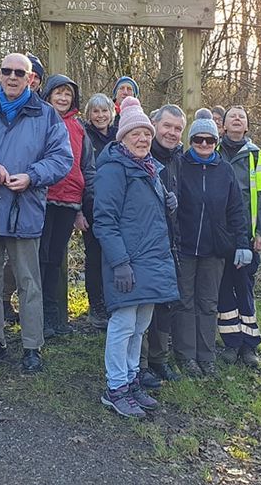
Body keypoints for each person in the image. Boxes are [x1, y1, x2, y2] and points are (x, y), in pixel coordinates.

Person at [0, 53, 73, 373]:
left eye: (19, 73)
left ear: (30, 78)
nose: (12, 77)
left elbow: (61, 157)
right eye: (6, 71)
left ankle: (32, 346)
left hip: (25, 208)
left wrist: (32, 176)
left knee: (29, 282)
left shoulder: (47, 115)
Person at [93, 96, 179, 418]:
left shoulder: (149, 169)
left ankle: (130, 381)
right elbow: (105, 220)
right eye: (135, 135)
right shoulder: (115, 169)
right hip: (128, 262)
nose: (143, 139)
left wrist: (166, 202)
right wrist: (120, 263)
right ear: (123, 139)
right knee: (123, 324)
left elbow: (145, 214)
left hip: (151, 260)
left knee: (141, 324)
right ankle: (115, 388)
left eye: (145, 133)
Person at [172, 110, 247, 377]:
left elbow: (236, 210)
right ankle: (186, 355)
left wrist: (242, 243)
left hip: (215, 248)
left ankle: (206, 355)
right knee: (184, 302)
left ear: (217, 141)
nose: (204, 145)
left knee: (208, 302)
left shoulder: (225, 170)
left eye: (209, 140)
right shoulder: (180, 165)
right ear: (190, 140)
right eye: (198, 140)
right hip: (185, 246)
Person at [38, 74, 95, 338]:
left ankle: (55, 318)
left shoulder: (79, 128)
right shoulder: (39, 120)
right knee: (40, 258)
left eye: (67, 94)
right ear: (48, 95)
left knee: (55, 258)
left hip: (69, 200)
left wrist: (82, 207)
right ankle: (38, 317)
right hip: (42, 198)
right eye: (58, 93)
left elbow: (86, 166)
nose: (62, 98)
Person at [216, 105, 261, 367]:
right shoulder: (212, 148)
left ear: (246, 127)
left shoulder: (255, 155)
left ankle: (249, 345)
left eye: (242, 117)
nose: (237, 119)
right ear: (223, 125)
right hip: (219, 236)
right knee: (224, 290)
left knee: (245, 288)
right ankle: (231, 343)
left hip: (248, 237)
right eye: (232, 116)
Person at [137, 103, 186, 389]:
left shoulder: (180, 158)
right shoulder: (142, 153)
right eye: (167, 126)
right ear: (154, 124)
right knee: (144, 305)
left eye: (178, 129)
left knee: (166, 303)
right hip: (145, 242)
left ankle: (159, 359)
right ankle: (141, 365)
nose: (171, 132)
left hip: (172, 241)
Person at [80, 93, 117, 329]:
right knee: (94, 257)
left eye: (104, 111)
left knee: (113, 255)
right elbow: (80, 173)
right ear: (89, 114)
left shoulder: (119, 136)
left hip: (115, 207)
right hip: (91, 206)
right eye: (96, 111)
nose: (100, 115)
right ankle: (97, 306)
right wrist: (78, 211)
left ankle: (113, 301)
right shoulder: (84, 135)